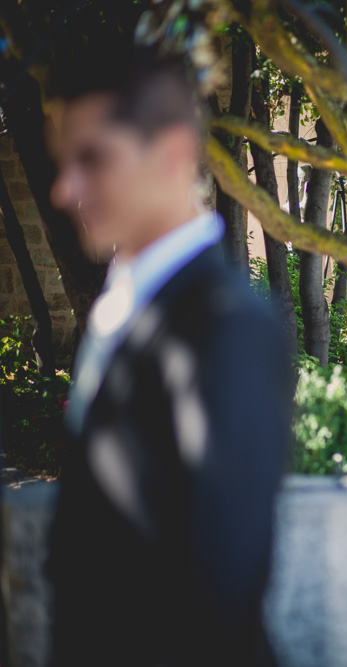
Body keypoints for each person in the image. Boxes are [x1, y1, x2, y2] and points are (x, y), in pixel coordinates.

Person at [46, 44, 293, 666]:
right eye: (62, 163)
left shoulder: (227, 325)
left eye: (92, 159)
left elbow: (222, 587)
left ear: (175, 153)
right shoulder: (125, 303)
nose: (63, 190)